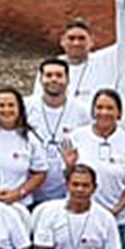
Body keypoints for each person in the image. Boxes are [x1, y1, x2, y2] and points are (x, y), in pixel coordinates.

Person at [63, 89, 125, 231]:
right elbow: (68, 178)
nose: (104, 112)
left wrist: (116, 209)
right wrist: (69, 166)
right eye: (99, 107)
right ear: (93, 111)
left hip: (117, 220)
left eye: (110, 108)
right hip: (81, 216)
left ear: (119, 113)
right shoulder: (77, 137)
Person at [25, 58, 86, 204]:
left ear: (68, 80)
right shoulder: (25, 107)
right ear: (41, 79)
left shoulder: (82, 111)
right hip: (29, 192)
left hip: (66, 194)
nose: (54, 79)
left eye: (59, 75)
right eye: (49, 75)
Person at [32, 18, 118, 104]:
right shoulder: (50, 67)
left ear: (91, 41)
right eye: (71, 38)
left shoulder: (104, 61)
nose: (76, 43)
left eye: (82, 38)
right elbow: (37, 100)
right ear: (62, 41)